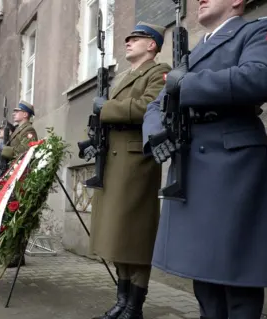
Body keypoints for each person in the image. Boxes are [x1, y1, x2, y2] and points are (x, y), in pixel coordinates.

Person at [142, 1, 267, 318]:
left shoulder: (258, 30)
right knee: (204, 277)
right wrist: (154, 134)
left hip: (233, 163)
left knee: (238, 278)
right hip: (192, 164)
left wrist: (187, 84)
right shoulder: (191, 53)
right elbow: (156, 106)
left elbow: (264, 76)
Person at [88, 22, 171, 319]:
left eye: (136, 38)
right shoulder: (125, 76)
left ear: (152, 44)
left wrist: (106, 108)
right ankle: (122, 302)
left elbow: (151, 106)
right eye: (128, 38)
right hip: (114, 159)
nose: (128, 42)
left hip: (136, 161)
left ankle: (135, 306)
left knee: (135, 236)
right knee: (119, 235)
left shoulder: (159, 71)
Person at [0, 100, 38, 268]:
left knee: (19, 214)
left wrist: (4, 151)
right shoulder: (19, 130)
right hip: (14, 176)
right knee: (12, 214)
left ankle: (18, 254)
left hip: (22, 178)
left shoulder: (29, 130)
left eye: (17, 111)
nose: (14, 114)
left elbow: (26, 153)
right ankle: (14, 253)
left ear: (25, 114)